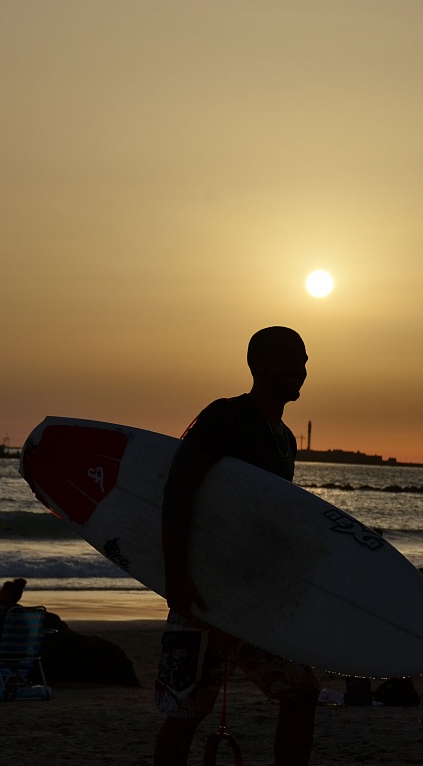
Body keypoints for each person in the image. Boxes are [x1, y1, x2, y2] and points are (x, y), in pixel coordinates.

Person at [155, 326, 318, 766]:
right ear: (256, 364)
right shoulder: (225, 416)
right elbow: (178, 491)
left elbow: (270, 518)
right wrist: (176, 576)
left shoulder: (285, 440)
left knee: (302, 691)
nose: (299, 369)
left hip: (253, 600)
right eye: (288, 358)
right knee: (187, 710)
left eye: (303, 360)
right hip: (204, 592)